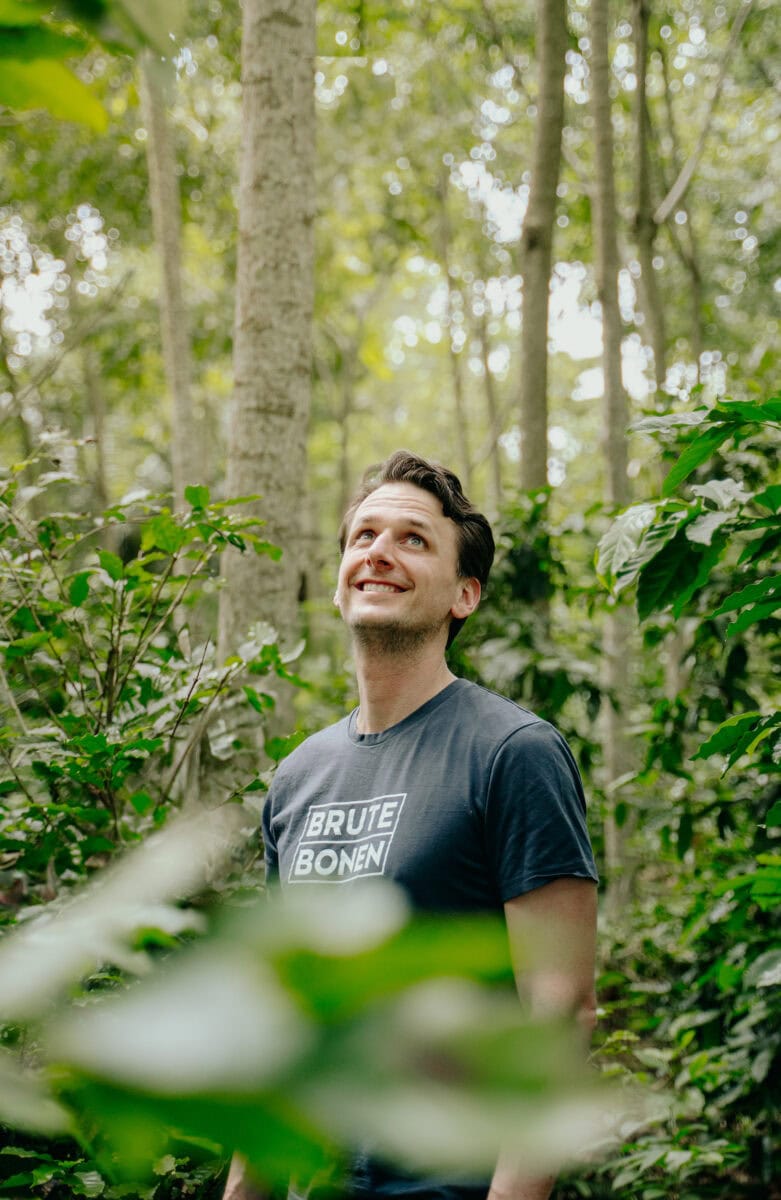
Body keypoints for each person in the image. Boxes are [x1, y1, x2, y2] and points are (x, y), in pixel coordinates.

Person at [259, 451, 599, 1200]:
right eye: (362, 537)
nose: (377, 552)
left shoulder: (513, 753)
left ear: (464, 595)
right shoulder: (297, 777)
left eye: (411, 539)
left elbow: (560, 1009)